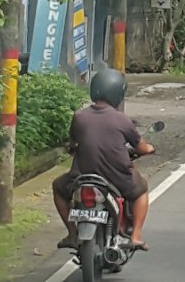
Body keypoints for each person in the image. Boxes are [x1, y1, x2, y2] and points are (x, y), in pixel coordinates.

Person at [53, 69, 155, 251]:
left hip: (82, 177)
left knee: (58, 187)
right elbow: (141, 147)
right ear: (117, 93)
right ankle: (136, 236)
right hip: (117, 178)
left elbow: (73, 142)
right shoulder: (122, 119)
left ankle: (72, 233)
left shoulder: (79, 117)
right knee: (142, 190)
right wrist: (150, 149)